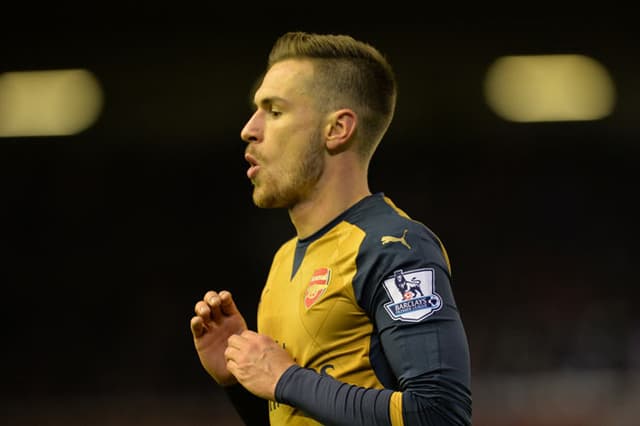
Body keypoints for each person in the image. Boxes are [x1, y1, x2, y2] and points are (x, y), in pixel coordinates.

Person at [190, 31, 472, 425]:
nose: (249, 129)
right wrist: (240, 380)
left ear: (337, 129)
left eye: (274, 111)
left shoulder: (393, 248)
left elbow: (440, 415)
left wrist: (285, 377)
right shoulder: (285, 258)